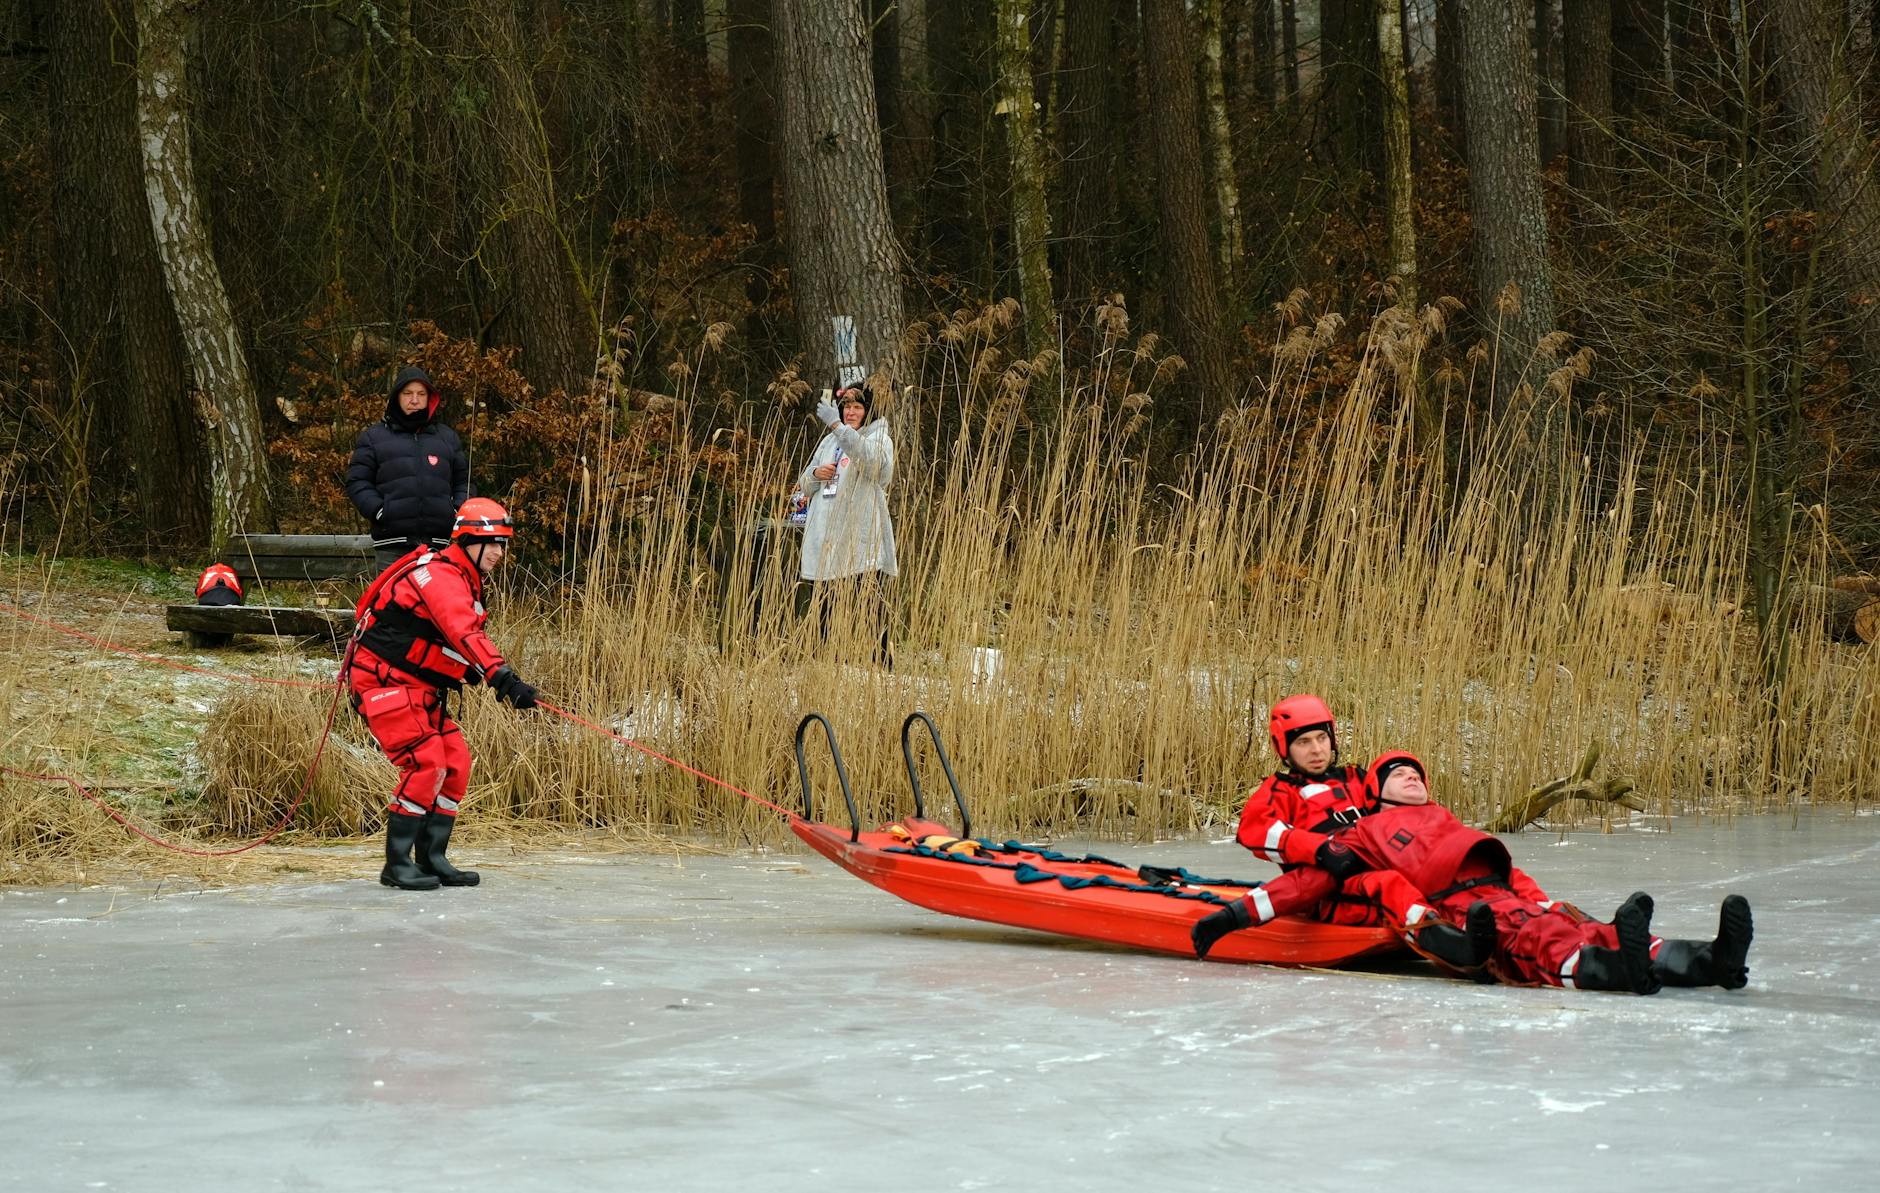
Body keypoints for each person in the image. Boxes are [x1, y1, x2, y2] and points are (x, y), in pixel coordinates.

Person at [1193, 750, 1755, 995]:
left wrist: (1551, 903)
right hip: (1462, 909)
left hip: (1501, 893)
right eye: (1397, 773)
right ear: (1376, 792)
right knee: (1535, 941)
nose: (1412, 777)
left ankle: (1712, 960)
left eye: (1417, 771)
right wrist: (1234, 916)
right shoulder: (1363, 833)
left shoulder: (1443, 817)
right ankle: (1619, 970)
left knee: (1579, 926)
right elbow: (1309, 881)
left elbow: (1507, 870)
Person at [347, 498, 538, 890]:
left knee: (456, 762)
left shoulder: (461, 576)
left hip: (418, 687)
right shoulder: (442, 576)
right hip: (383, 683)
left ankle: (432, 857)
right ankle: (396, 864)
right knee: (426, 763)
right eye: (495, 543)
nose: (501, 553)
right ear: (469, 541)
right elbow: (463, 631)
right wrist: (502, 677)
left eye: (505, 543)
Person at [1233, 694, 1425, 927]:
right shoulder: (1280, 791)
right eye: (1303, 742)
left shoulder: (1358, 779)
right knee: (1389, 883)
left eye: (1322, 738)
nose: (1316, 750)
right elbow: (1253, 831)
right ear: (1285, 747)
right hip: (1332, 893)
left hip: (1385, 876)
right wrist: (1321, 849)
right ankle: (1435, 931)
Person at [796, 382, 896, 663]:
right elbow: (804, 485)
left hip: (858, 542)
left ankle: (881, 668)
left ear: (867, 410)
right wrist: (817, 473)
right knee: (825, 612)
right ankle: (827, 668)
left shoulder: (877, 438)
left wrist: (839, 428)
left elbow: (875, 466)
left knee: (870, 609)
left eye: (857, 407)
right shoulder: (827, 442)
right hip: (826, 539)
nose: (850, 412)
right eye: (846, 407)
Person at [346, 364, 470, 573]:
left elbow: (463, 483)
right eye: (408, 393)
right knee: (391, 605)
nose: (415, 400)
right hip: (392, 546)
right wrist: (380, 511)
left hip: (439, 546)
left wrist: (455, 511)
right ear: (397, 397)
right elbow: (357, 481)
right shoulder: (373, 437)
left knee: (435, 605)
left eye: (421, 394)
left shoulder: (447, 437)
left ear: (429, 398)